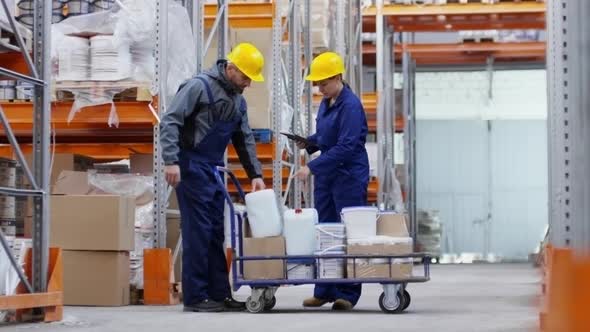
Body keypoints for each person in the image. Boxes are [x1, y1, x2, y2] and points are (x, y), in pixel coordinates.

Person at [160, 43, 266, 313]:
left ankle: (220, 293)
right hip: (190, 165)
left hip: (212, 169)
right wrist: (171, 160)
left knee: (217, 232)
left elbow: (243, 140)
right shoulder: (198, 86)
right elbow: (170, 120)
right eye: (245, 77)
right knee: (198, 231)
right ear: (230, 69)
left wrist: (255, 174)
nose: (248, 84)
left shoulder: (238, 100)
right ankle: (195, 297)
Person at [293, 52, 369, 311]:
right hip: (328, 176)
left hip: (348, 176)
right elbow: (328, 136)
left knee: (347, 233)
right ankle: (324, 289)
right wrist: (311, 141)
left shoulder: (350, 106)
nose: (320, 88)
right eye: (317, 84)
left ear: (338, 77)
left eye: (324, 83)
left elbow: (347, 146)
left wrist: (311, 167)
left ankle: (347, 293)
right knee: (325, 231)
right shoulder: (327, 102)